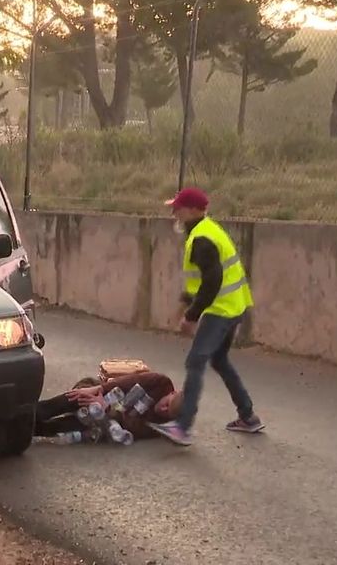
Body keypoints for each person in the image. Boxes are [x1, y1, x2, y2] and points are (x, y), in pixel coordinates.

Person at [147, 187, 264, 446]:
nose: (173, 212)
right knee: (219, 360)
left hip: (220, 310)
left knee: (195, 362)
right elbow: (199, 282)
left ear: (192, 210)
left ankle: (183, 426)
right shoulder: (206, 230)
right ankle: (248, 416)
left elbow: (212, 282)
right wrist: (184, 306)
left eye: (177, 207)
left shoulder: (201, 238)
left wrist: (191, 316)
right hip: (235, 306)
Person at [35, 370, 183, 440]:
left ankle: (31, 430)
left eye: (167, 412)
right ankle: (29, 413)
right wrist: (99, 389)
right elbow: (128, 380)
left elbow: (134, 427)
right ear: (172, 393)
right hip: (105, 392)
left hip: (110, 419)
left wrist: (106, 408)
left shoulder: (162, 424)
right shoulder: (161, 382)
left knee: (82, 423)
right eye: (167, 404)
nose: (162, 409)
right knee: (78, 396)